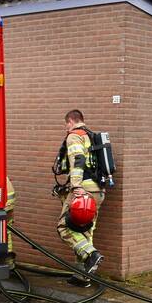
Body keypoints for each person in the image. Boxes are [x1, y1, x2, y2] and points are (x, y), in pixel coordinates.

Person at [55, 109, 106, 284]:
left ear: (70, 121)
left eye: (65, 124)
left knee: (64, 227)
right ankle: (83, 276)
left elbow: (78, 160)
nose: (66, 128)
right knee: (84, 231)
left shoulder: (75, 136)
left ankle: (91, 255)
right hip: (98, 190)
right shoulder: (91, 136)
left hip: (83, 189)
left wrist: (76, 185)